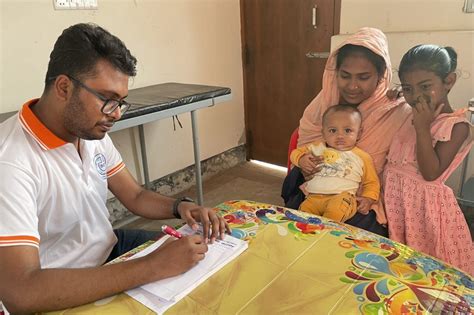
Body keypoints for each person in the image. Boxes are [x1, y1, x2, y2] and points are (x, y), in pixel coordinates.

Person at [0, 23, 229, 313]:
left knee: (204, 262)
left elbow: (134, 195)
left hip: (108, 249)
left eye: (121, 102)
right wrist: (150, 267)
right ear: (63, 87)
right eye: (108, 100)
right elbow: (21, 292)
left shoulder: (91, 133)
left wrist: (181, 207)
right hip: (56, 283)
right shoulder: (10, 162)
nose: (116, 114)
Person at [282, 27, 411, 236]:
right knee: (298, 226)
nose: (352, 86)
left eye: (363, 77)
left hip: (361, 195)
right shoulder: (324, 102)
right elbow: (305, 143)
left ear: (380, 77)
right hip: (317, 186)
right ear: (335, 73)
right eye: (345, 76)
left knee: (352, 237)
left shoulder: (394, 110)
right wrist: (306, 162)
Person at [383, 44, 473, 274]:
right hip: (398, 202)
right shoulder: (409, 110)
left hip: (426, 211)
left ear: (449, 81)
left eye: (425, 86)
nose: (416, 97)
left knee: (430, 269)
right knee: (402, 265)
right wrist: (396, 95)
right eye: (408, 88)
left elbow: (430, 172)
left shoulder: (457, 126)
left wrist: (423, 129)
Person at [290, 105, 379, 222]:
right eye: (333, 130)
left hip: (341, 197)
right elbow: (295, 153)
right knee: (301, 219)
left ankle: (326, 235)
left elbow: (371, 182)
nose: (340, 136)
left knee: (334, 214)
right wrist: (301, 159)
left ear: (359, 133)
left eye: (348, 130)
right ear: (323, 133)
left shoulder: (362, 157)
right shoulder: (317, 147)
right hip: (313, 197)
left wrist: (368, 199)